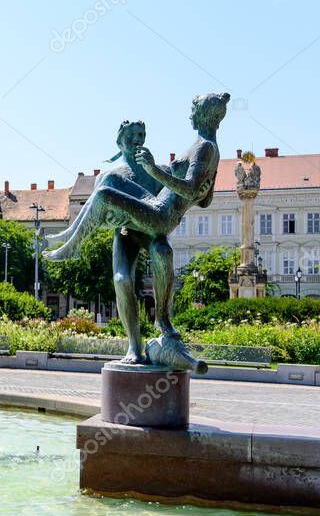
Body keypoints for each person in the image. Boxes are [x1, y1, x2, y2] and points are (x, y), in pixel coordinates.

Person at [45, 93, 230, 366]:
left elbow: (191, 190)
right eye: (132, 135)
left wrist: (155, 170)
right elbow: (204, 197)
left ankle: (162, 320)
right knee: (122, 277)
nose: (137, 140)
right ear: (120, 140)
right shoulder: (114, 172)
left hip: (155, 218)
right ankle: (135, 345)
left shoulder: (201, 148)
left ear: (201, 114)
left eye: (141, 134)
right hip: (129, 227)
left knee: (159, 247)